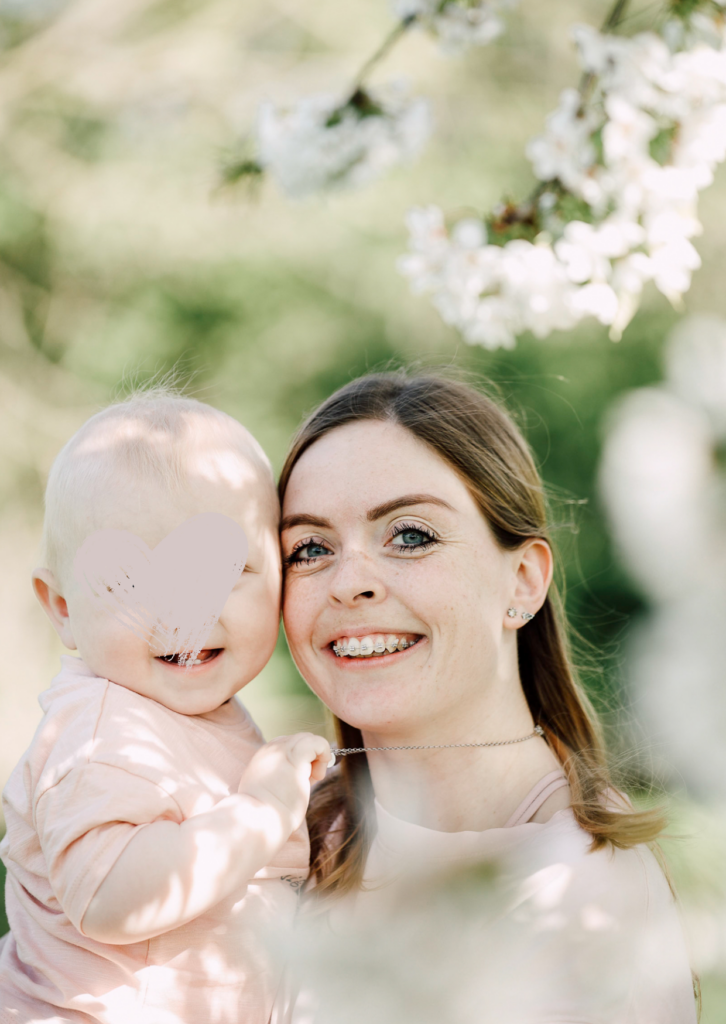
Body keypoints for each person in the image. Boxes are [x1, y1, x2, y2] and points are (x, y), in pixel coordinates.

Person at [276, 369, 698, 1024]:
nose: (347, 582)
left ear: (523, 581)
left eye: (410, 535)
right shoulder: (271, 841)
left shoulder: (584, 897)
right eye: (308, 547)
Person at [0, 391, 330, 1024]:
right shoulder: (98, 731)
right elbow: (113, 897)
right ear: (62, 607)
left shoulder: (182, 714)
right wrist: (260, 811)